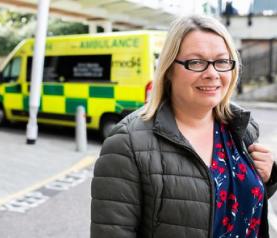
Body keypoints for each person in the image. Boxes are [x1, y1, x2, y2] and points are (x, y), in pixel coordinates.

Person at [91, 14, 277, 238]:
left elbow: (236, 205)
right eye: (196, 62)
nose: (212, 74)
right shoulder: (127, 143)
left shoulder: (240, 127)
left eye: (221, 61)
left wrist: (269, 177)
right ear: (169, 69)